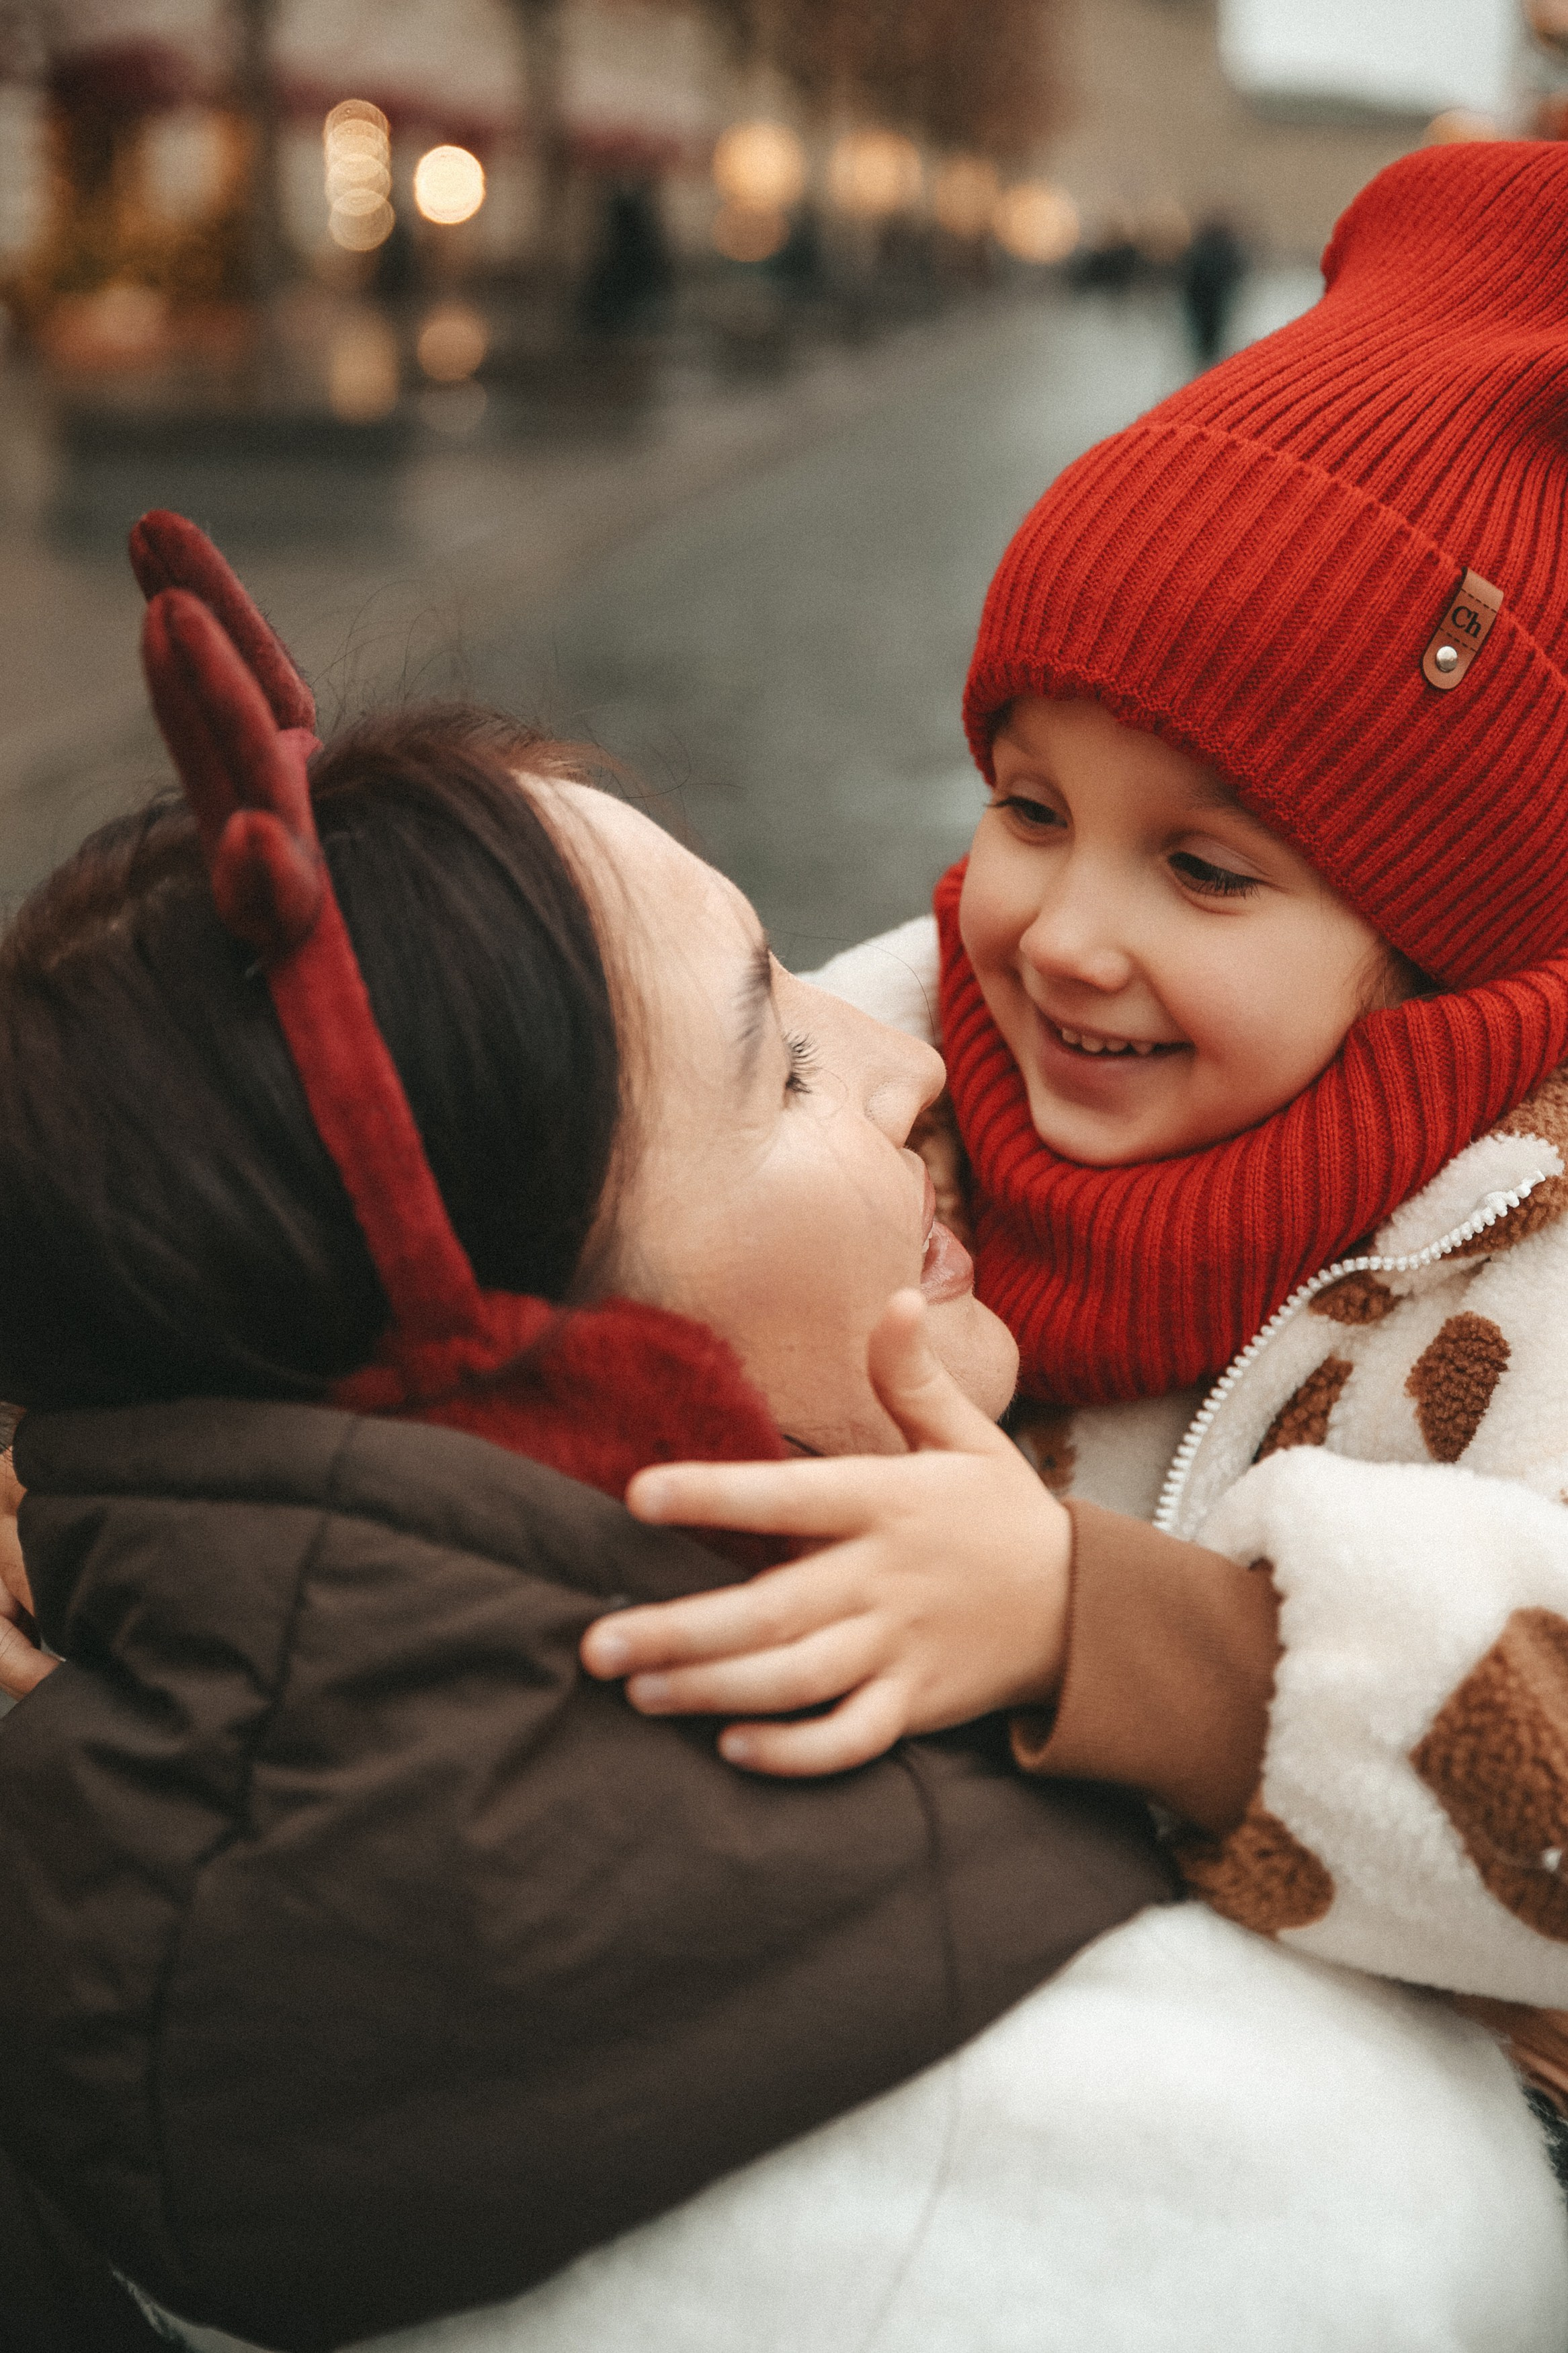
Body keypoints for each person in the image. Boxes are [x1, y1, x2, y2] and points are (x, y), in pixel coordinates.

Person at [0, 516, 1560, 2353]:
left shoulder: (130, 1858)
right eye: (785, 1052)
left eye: (1206, 866)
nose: (933, 1048)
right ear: (546, 1346)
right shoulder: (1275, 2194)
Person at [589, 138, 1568, 2110]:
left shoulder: (1525, 1260)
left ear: (1433, 944)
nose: (1059, 937)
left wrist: (1106, 1631)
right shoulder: (872, 1050)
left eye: (1207, 871)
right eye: (1029, 809)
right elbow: (529, 1251)